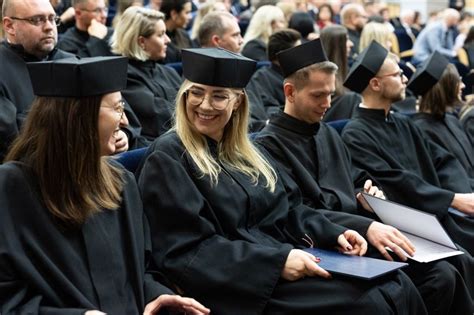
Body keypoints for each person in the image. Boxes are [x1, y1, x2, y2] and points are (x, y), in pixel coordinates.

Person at [138, 47, 428, 315]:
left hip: (277, 259)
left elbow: (287, 210)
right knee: (369, 303)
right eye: (196, 93)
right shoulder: (168, 157)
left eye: (218, 96)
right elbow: (185, 250)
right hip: (237, 283)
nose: (205, 105)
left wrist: (333, 233)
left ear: (238, 102)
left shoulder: (246, 152)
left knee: (398, 284)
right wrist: (276, 264)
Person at [255, 39, 474, 315]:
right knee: (430, 280)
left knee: (447, 269)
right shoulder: (268, 145)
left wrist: (363, 193)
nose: (327, 104)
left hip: (359, 231)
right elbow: (295, 212)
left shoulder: (327, 134)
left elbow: (352, 179)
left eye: (331, 95)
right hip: (325, 242)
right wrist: (364, 225)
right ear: (290, 91)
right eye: (318, 95)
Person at [0, 56, 210, 315]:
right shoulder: (11, 188)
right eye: (117, 108)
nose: (124, 122)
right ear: (78, 117)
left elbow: (142, 270)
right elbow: (7, 298)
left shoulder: (120, 181)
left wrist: (159, 296)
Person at [341, 41, 474, 256]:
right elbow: (397, 182)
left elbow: (441, 160)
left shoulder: (403, 122)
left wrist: (466, 195)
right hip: (417, 224)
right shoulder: (355, 134)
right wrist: (453, 200)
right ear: (375, 84)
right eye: (397, 75)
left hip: (440, 211)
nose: (405, 79)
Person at [0, 0, 75, 161]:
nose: (49, 27)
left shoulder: (72, 63)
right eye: (37, 20)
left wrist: (121, 135)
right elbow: (12, 145)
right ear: (9, 26)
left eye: (52, 19)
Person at [110, 6, 182, 147]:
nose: (168, 40)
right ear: (142, 42)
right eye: (161, 35)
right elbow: (164, 117)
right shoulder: (122, 77)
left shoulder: (168, 72)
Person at [409, 52, 474, 186]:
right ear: (445, 87)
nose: (463, 86)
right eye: (458, 81)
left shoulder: (452, 120)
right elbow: (444, 179)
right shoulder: (420, 129)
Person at [246, 29, 301, 130]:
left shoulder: (301, 75)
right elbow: (265, 113)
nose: (303, 55)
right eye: (298, 51)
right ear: (283, 55)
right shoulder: (260, 79)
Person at [319, 24, 360, 122]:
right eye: (346, 40)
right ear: (336, 45)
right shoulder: (321, 77)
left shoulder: (347, 69)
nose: (351, 44)